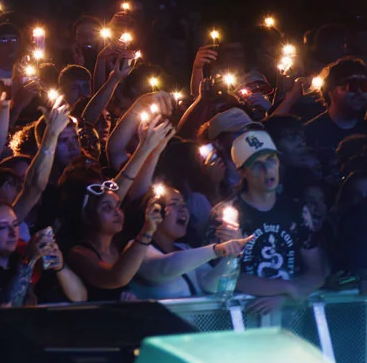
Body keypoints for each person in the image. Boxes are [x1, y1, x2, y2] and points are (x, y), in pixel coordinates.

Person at [207, 129, 327, 313]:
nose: (267, 170)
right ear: (242, 172)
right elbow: (225, 276)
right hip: (243, 315)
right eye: (256, 164)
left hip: (290, 318)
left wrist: (284, 298)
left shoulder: (297, 210)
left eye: (271, 159)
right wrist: (288, 288)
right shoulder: (227, 214)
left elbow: (317, 271)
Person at [127, 184, 252, 299]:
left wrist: (231, 253)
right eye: (174, 204)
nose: (183, 209)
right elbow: (165, 267)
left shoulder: (186, 248)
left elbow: (212, 285)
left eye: (183, 205)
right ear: (152, 211)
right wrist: (216, 250)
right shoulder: (137, 249)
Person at [300, 57, 367, 186]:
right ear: (330, 91)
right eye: (352, 86)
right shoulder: (308, 134)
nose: (360, 92)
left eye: (364, 86)